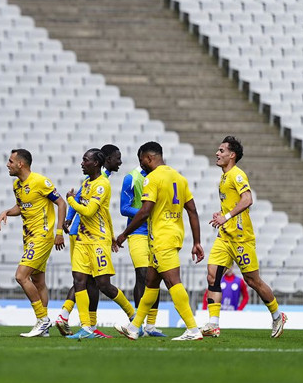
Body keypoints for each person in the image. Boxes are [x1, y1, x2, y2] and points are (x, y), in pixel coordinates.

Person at [114, 141, 204, 341]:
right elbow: (192, 210)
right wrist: (196, 242)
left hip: (162, 237)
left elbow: (145, 211)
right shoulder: (179, 178)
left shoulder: (152, 179)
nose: (142, 165)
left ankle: (192, 329)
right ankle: (134, 327)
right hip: (172, 236)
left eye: (142, 161)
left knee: (173, 282)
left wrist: (124, 234)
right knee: (151, 283)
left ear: (149, 158)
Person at [202, 136, 286, 338]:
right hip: (225, 237)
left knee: (252, 281)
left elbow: (248, 199)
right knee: (212, 275)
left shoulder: (237, 175)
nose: (217, 153)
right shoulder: (224, 177)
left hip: (241, 239)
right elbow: (231, 204)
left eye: (221, 150)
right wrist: (222, 214)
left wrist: (226, 217)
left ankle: (277, 315)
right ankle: (213, 324)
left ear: (232, 155)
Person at [64, 148, 135, 339]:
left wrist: (70, 200)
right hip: (82, 240)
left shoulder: (102, 184)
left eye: (85, 160)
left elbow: (89, 211)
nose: (82, 163)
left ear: (95, 163)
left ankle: (133, 315)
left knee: (103, 285)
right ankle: (86, 327)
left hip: (97, 241)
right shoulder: (86, 183)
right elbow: (105, 213)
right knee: (79, 280)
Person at [0, 149, 66, 338]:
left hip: (42, 236)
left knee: (21, 276)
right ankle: (44, 327)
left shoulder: (40, 181)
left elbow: (61, 203)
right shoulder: (17, 185)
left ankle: (43, 319)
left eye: (10, 161)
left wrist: (59, 232)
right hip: (28, 237)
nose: (7, 165)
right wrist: (7, 212)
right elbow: (21, 206)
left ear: (21, 164)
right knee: (39, 282)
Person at [120, 150, 165, 337]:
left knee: (155, 277)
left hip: (156, 233)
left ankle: (151, 326)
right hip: (137, 233)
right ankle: (138, 323)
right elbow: (124, 208)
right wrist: (145, 212)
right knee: (142, 275)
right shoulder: (132, 178)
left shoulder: (160, 177)